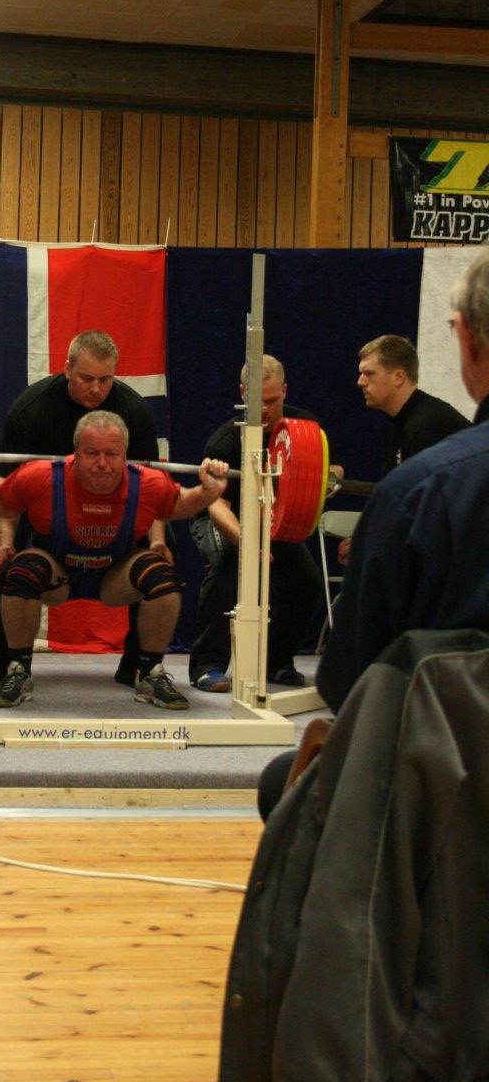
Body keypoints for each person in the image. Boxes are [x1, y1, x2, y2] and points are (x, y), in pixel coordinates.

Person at [258, 249, 489, 817]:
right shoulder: (406, 445)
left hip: (450, 769)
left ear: (466, 337)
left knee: (281, 784)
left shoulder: (427, 462)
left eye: (368, 374)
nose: (358, 382)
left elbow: (348, 681)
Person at [0, 410, 229, 710]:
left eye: (111, 454)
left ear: (125, 454)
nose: (102, 463)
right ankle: (18, 670)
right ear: (75, 452)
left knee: (163, 577)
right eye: (91, 453)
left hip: (114, 579)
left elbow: (181, 503)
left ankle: (150, 672)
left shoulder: (146, 483)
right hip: (57, 575)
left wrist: (208, 491)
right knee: (23, 571)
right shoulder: (42, 476)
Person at [0, 330, 165, 690]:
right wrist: (4, 545)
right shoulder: (30, 410)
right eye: (87, 378)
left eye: (105, 380)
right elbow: (7, 492)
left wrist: (156, 542)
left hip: (114, 510)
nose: (96, 389)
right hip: (41, 507)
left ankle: (140, 663)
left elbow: (152, 489)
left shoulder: (134, 412)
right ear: (67, 369)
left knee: (163, 551)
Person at [188, 355, 335, 693]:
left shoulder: (304, 428)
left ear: (285, 391)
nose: (265, 409)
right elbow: (216, 505)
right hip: (223, 517)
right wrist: (248, 542)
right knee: (230, 565)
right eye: (257, 401)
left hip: (271, 519)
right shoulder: (225, 441)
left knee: (307, 582)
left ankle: (276, 660)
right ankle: (207, 665)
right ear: (243, 393)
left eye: (272, 400)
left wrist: (329, 476)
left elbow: (326, 472)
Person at [336, 332, 471, 562]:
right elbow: (393, 501)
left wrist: (370, 544)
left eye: (369, 374)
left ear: (398, 377)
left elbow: (424, 515)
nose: (360, 382)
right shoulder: (397, 427)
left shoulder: (427, 426)